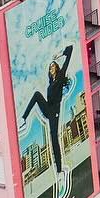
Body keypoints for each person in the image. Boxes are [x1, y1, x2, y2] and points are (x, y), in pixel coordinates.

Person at [21, 44, 75, 185]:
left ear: (57, 68)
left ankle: (59, 170)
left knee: (54, 139)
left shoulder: (61, 76)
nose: (51, 69)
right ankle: (23, 119)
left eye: (53, 67)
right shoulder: (50, 83)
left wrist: (59, 55)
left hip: (55, 111)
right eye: (50, 67)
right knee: (37, 95)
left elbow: (70, 50)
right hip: (48, 109)